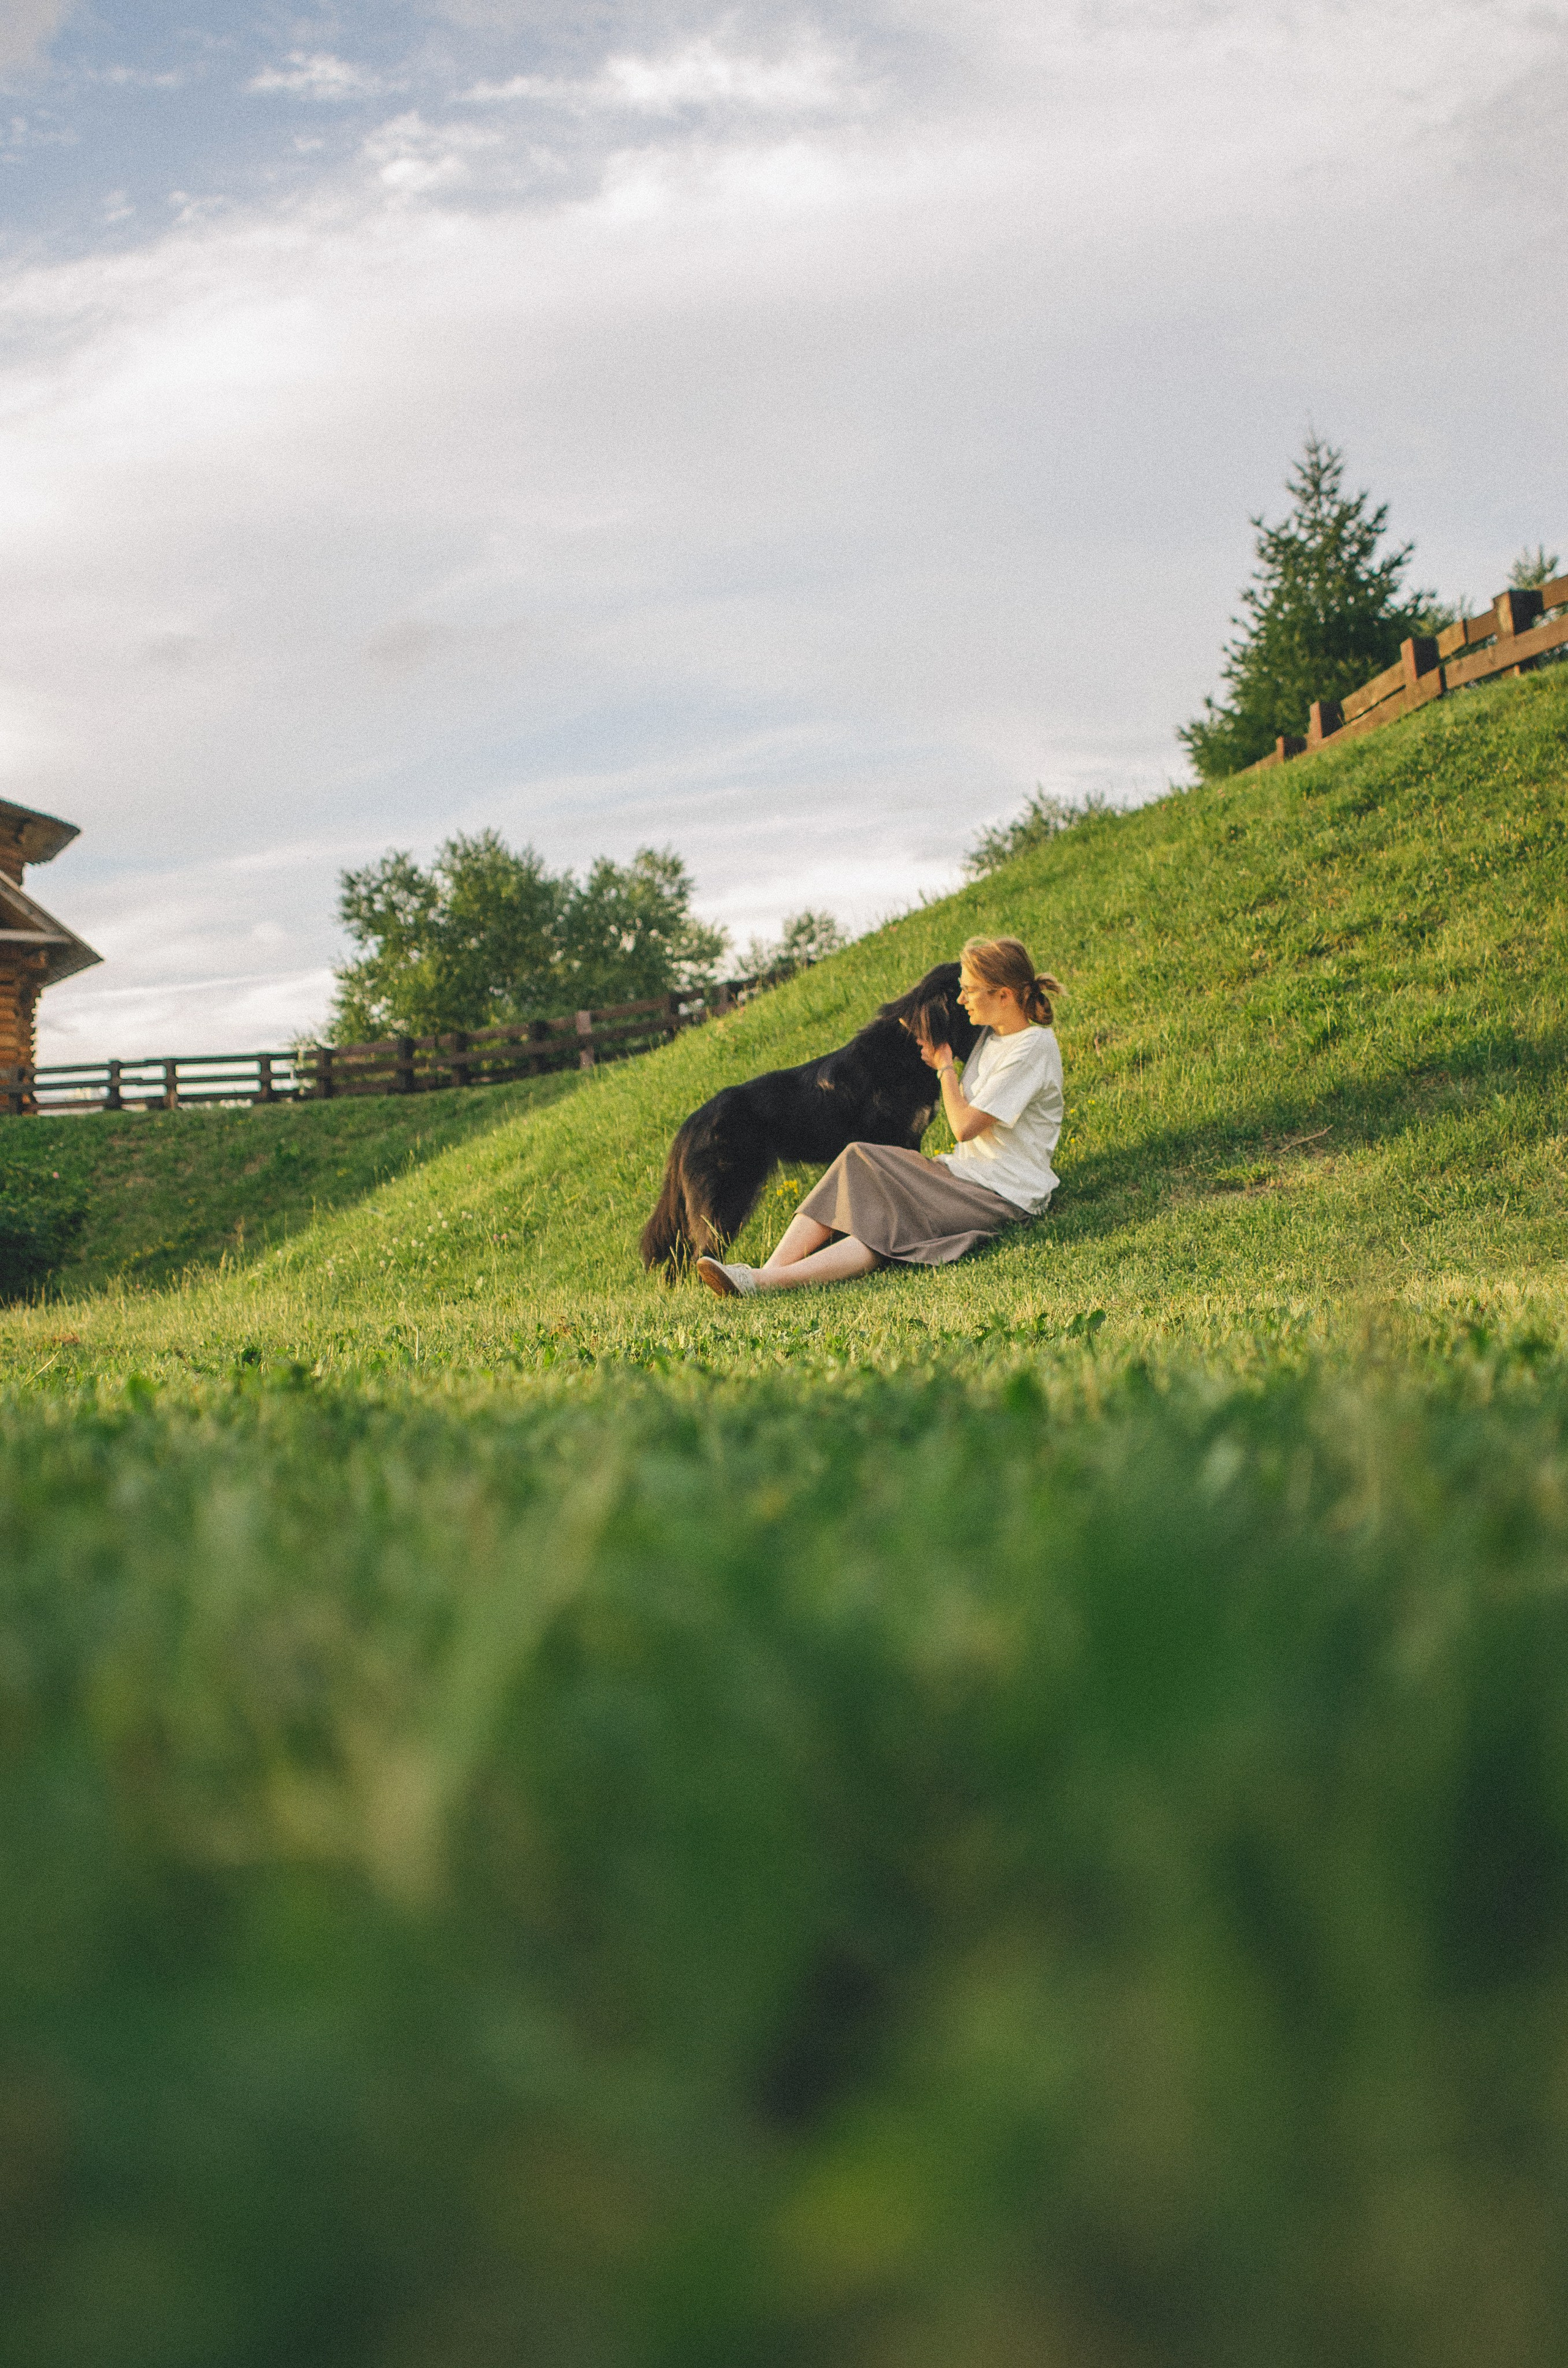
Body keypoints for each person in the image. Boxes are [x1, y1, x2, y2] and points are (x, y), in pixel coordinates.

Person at [695, 935, 1063, 1296]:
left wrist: (945, 1066)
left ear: (1003, 996)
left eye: (969, 990)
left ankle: (763, 1283)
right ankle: (761, 1274)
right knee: (856, 1156)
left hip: (1000, 1194)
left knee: (890, 1226)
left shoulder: (1033, 1047)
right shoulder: (990, 1038)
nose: (961, 998)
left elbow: (965, 1127)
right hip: (961, 1174)